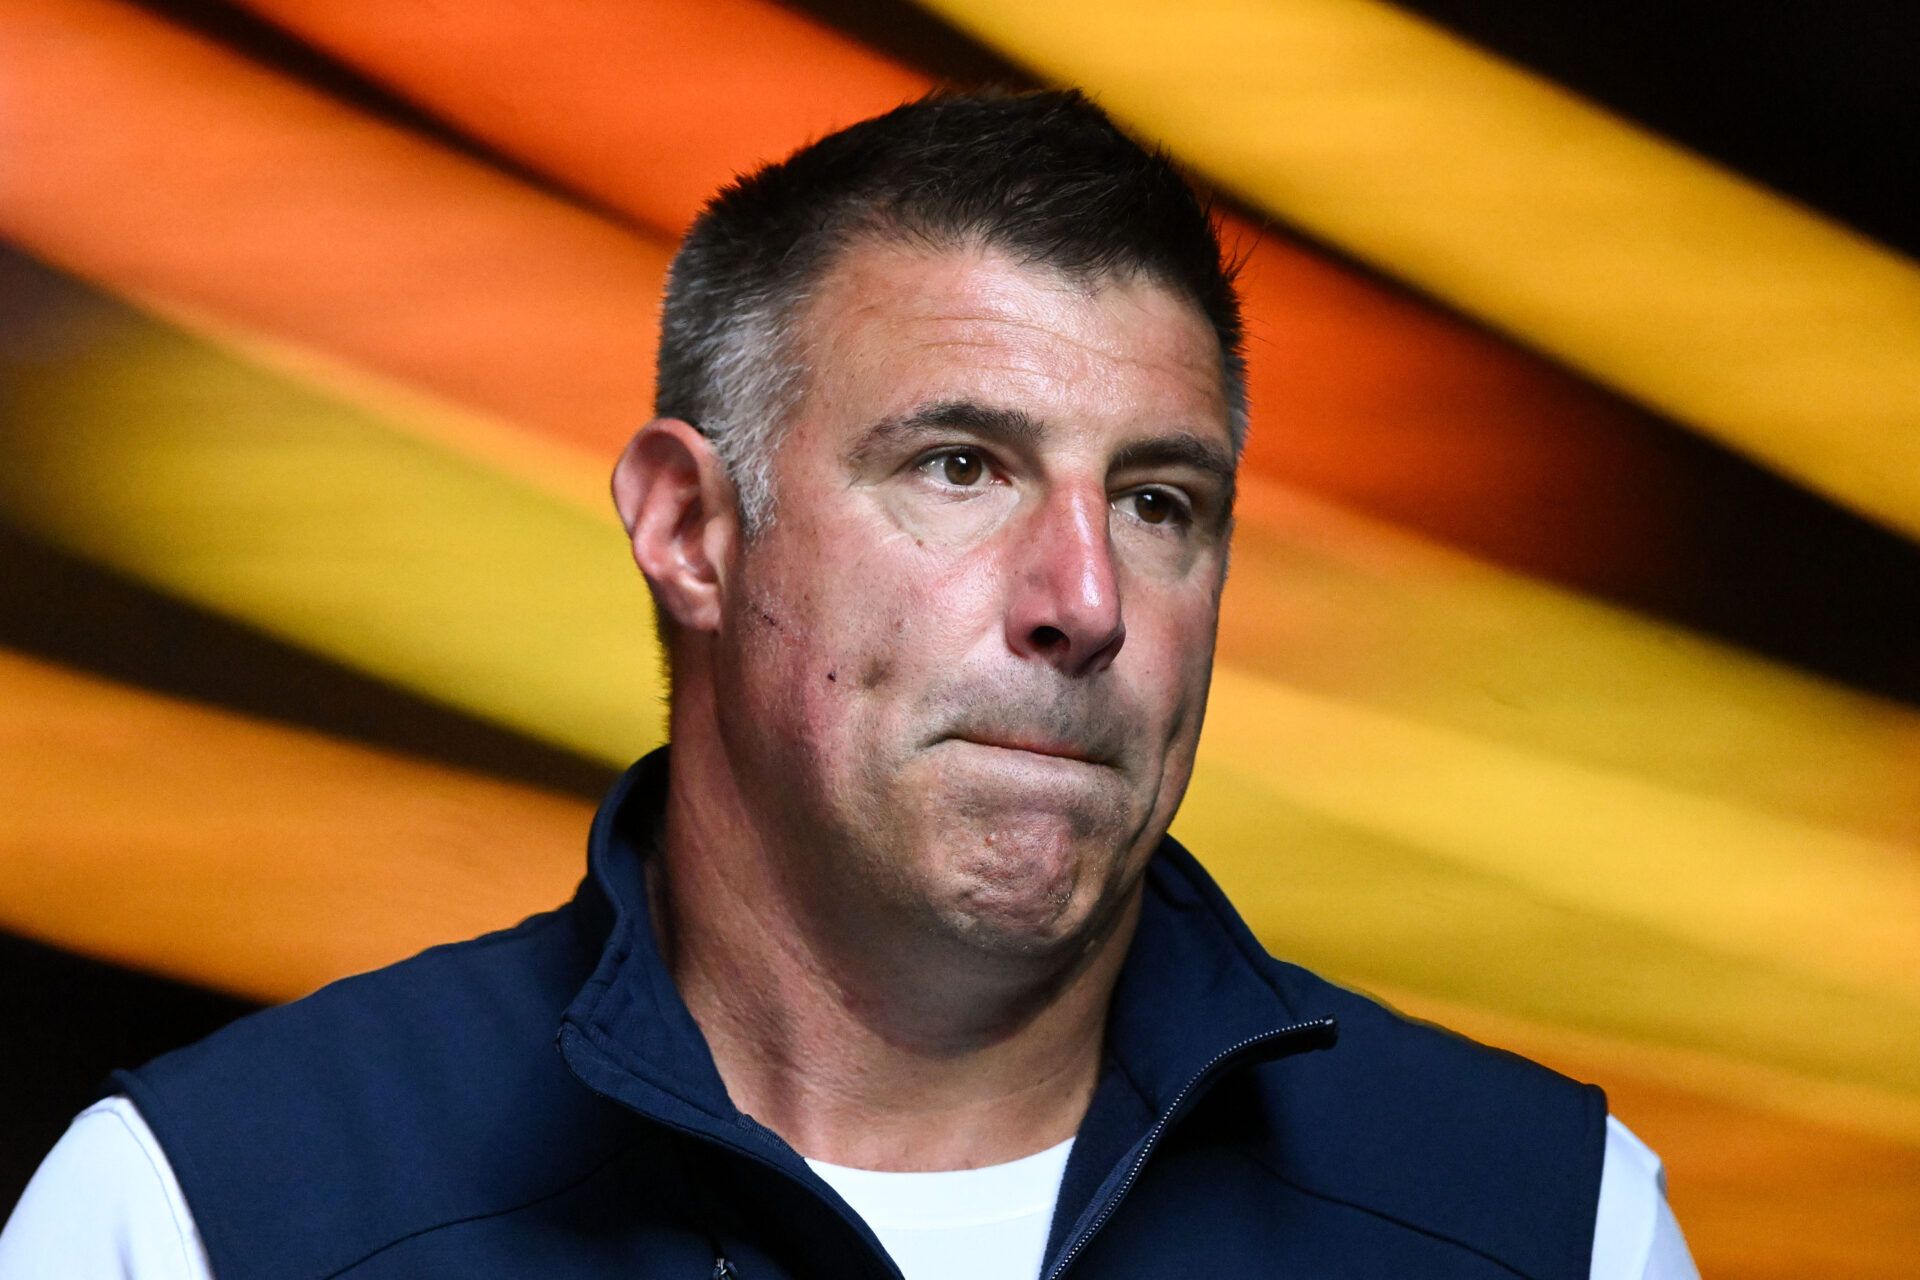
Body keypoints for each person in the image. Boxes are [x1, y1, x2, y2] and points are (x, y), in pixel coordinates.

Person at [0, 89, 1696, 1280]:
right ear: (689, 528)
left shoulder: (1548, 1227)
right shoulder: (208, 1220)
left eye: (1161, 504)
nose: (1086, 601)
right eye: (961, 468)